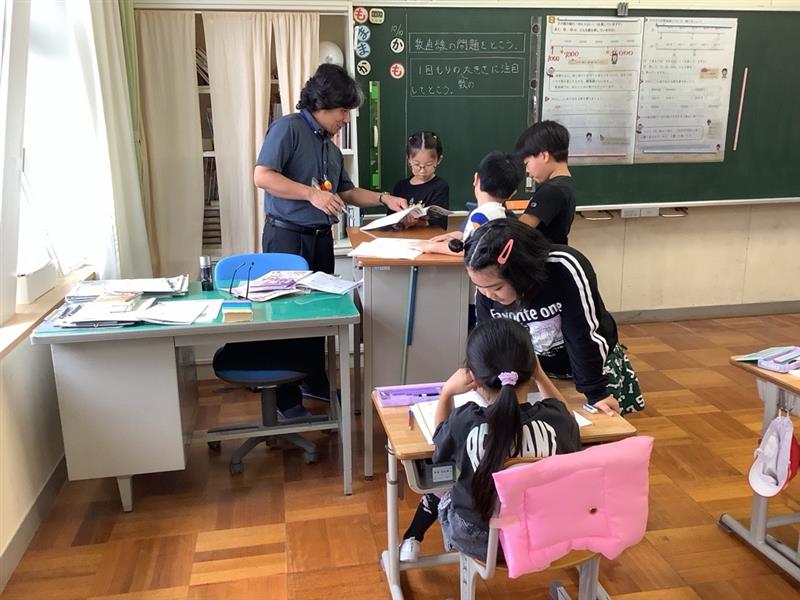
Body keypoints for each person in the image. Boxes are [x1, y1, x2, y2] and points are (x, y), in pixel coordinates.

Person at [251, 63, 407, 415]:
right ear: (322, 103)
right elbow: (262, 176)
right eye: (343, 111)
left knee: (317, 314)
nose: (346, 119)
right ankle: (286, 399)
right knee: (288, 319)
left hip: (319, 239)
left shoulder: (330, 148)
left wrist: (385, 199)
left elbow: (346, 193)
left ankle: (312, 381)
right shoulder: (288, 129)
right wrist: (311, 194)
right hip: (287, 240)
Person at [399, 318, 581, 562]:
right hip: (544, 535)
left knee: (448, 480)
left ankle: (412, 538)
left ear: (473, 377)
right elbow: (567, 417)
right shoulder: (556, 419)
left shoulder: (465, 420)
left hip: (480, 540)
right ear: (530, 369)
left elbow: (439, 437)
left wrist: (446, 393)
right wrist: (540, 375)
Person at [464, 218, 645, 417]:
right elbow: (490, 343)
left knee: (597, 426)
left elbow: (583, 334)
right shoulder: (486, 290)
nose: (488, 295)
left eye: (497, 288)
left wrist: (595, 392)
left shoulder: (563, 268)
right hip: (534, 372)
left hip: (590, 367)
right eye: (479, 287)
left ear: (520, 273)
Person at [415, 151, 522, 256]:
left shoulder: (479, 216)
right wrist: (462, 236)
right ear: (512, 193)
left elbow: (471, 250)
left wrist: (431, 247)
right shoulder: (502, 215)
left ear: (476, 179)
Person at [516, 120, 576, 245]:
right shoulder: (566, 184)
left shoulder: (551, 190)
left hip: (543, 255)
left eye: (527, 164)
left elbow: (519, 230)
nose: (527, 171)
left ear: (544, 156)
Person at [389, 131, 449, 229]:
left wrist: (418, 222)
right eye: (417, 164)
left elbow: (440, 225)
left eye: (428, 164)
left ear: (438, 160)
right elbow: (390, 219)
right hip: (401, 237)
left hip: (428, 237)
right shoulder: (400, 186)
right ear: (409, 160)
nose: (422, 170)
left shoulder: (440, 186)